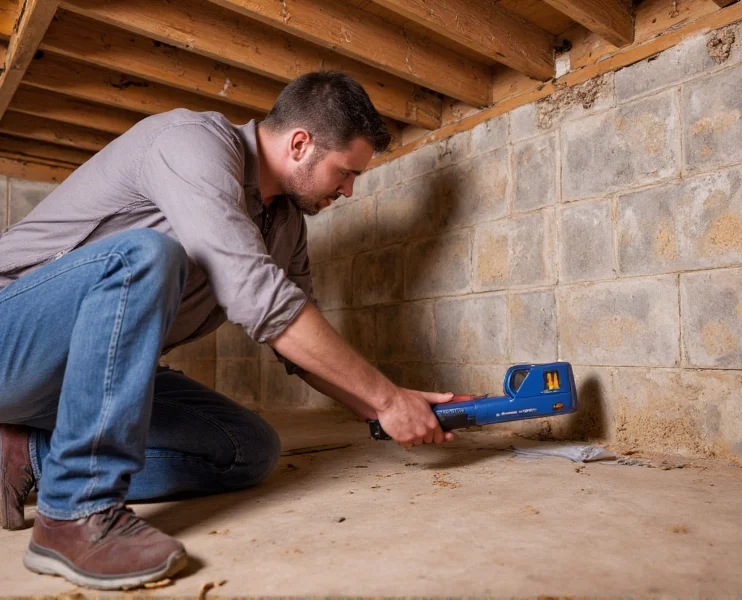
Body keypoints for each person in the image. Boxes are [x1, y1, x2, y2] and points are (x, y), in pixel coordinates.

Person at [0, 71, 455, 590]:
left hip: (76, 381)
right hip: (9, 341)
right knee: (142, 256)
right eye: (346, 172)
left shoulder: (286, 225)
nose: (349, 190)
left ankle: (24, 450)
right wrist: (388, 399)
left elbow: (297, 341)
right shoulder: (191, 141)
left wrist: (384, 407)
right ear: (301, 144)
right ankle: (74, 514)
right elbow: (254, 294)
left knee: (246, 448)